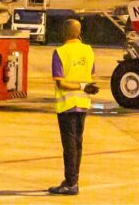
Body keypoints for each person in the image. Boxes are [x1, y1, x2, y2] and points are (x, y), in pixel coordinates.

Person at [48, 18, 99, 196]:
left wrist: (81, 86)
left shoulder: (60, 52)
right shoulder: (89, 50)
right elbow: (91, 76)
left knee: (69, 146)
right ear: (79, 32)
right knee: (77, 144)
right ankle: (73, 180)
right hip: (83, 104)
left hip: (67, 105)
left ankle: (70, 183)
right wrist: (84, 87)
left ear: (64, 32)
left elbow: (60, 83)